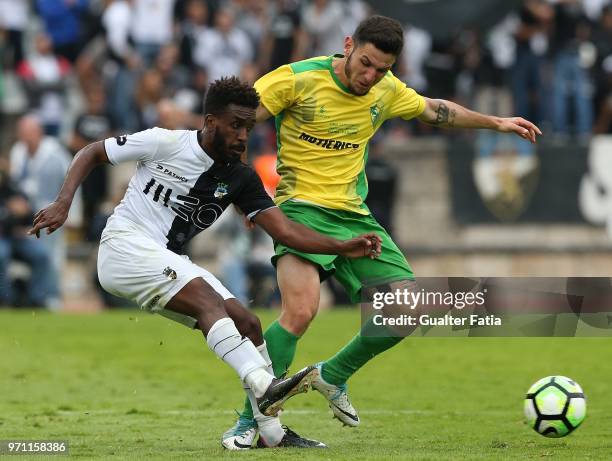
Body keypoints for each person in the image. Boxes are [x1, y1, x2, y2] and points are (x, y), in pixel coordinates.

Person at [221, 15, 542, 450]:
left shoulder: (385, 91)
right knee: (300, 312)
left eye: (382, 70)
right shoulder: (295, 79)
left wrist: (496, 122)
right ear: (349, 45)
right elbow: (234, 126)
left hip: (355, 216)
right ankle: (249, 423)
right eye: (366, 64)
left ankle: (331, 376)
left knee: (406, 310)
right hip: (300, 211)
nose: (370, 77)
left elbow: (436, 110)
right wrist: (248, 196)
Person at [28, 76, 382, 448]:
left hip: (165, 259)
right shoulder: (166, 142)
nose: (243, 135)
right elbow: (92, 151)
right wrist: (63, 202)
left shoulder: (241, 178)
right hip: (123, 247)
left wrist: (342, 245)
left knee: (247, 323)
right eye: (235, 126)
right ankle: (265, 385)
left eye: (248, 126)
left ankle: (271, 434)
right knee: (207, 301)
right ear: (211, 122)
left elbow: (287, 232)